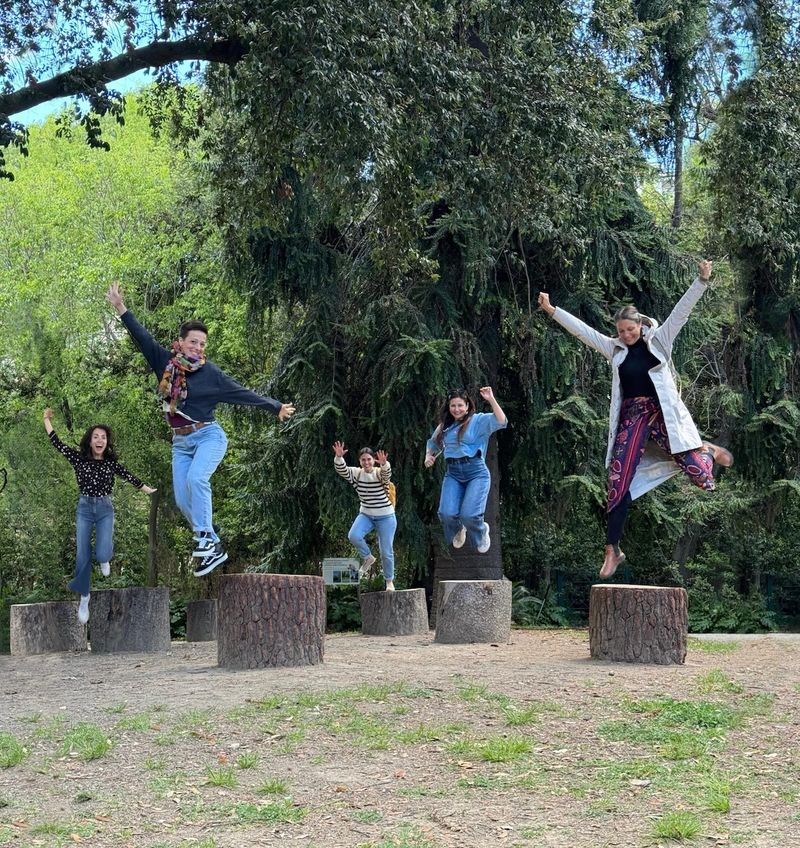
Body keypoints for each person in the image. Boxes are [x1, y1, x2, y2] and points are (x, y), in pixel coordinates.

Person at [537, 259, 733, 579]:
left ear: (640, 325)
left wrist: (701, 280)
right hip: (632, 418)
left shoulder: (660, 341)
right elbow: (583, 332)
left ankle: (707, 451)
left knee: (702, 477)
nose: (626, 335)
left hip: (661, 416)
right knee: (618, 482)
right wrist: (552, 310)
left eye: (630, 329)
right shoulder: (614, 349)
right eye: (621, 331)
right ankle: (612, 549)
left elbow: (681, 312)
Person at [105, 282, 296, 577]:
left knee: (197, 479)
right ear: (180, 343)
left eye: (202, 344)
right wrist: (120, 307)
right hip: (180, 444)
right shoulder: (165, 364)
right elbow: (142, 337)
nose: (198, 347)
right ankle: (214, 545)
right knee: (183, 500)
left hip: (209, 437)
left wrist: (275, 406)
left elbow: (242, 393)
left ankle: (206, 538)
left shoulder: (211, 374)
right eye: (193, 342)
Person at [44, 408, 156, 624]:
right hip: (84, 509)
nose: (99, 440)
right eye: (96, 436)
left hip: (105, 508)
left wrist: (146, 489)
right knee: (82, 554)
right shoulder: (78, 459)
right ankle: (84, 597)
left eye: (103, 437)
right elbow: (57, 443)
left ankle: (104, 559)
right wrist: (46, 419)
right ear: (90, 441)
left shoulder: (110, 463)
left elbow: (128, 475)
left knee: (103, 552)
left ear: (107, 442)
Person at [424, 387, 507, 553]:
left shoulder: (478, 420)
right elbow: (433, 444)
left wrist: (491, 399)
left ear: (467, 406)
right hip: (453, 473)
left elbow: (501, 421)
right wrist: (428, 456)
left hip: (476, 473)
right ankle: (458, 529)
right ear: (449, 407)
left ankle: (481, 531)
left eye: (460, 405)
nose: (456, 409)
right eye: (453, 405)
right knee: (446, 514)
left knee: (469, 515)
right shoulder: (445, 426)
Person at [333, 442, 397, 591]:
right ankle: (368, 557)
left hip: (386, 516)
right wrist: (339, 457)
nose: (366, 462)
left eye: (369, 459)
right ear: (360, 461)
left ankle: (389, 581)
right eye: (363, 460)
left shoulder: (378, 473)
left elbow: (386, 475)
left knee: (386, 552)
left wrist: (384, 464)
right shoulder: (357, 474)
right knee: (353, 535)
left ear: (373, 460)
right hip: (366, 514)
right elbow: (342, 470)